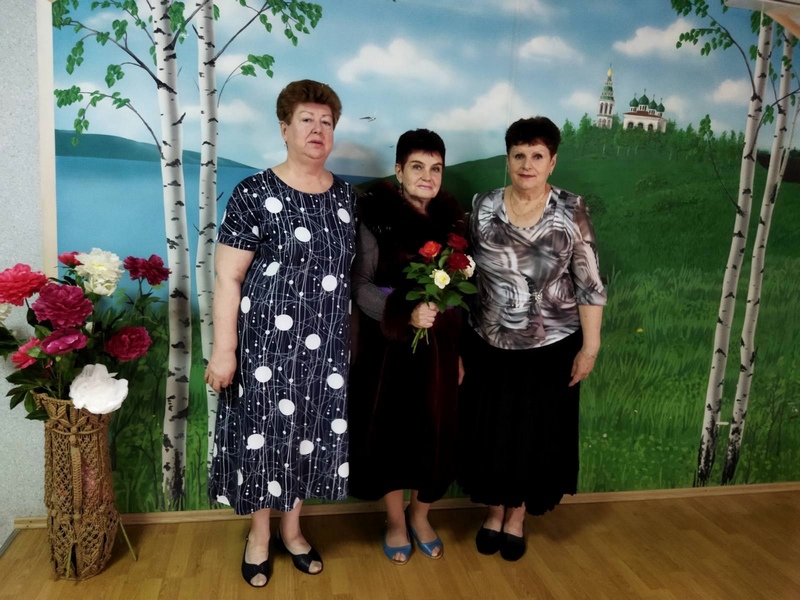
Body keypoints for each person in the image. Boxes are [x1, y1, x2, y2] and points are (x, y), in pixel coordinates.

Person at [204, 80, 356, 587]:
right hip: (265, 347)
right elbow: (228, 276)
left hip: (325, 349)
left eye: (326, 122)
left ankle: (293, 530)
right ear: (285, 129)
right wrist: (225, 351)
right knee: (264, 439)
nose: (317, 130)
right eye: (306, 120)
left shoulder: (346, 197)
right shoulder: (254, 193)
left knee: (307, 438)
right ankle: (259, 535)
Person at [457, 116, 606, 562]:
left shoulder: (571, 208)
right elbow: (463, 273)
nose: (527, 164)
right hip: (487, 341)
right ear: (508, 159)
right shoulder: (482, 205)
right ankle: (493, 512)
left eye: (537, 155)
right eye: (519, 155)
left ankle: (517, 517)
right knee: (492, 431)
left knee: (532, 433)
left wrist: (590, 347)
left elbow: (589, 283)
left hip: (550, 345)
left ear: (552, 161)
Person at [349, 129, 466, 564]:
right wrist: (403, 313)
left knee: (435, 433)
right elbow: (360, 285)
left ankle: (421, 515)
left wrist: (458, 353)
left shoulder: (453, 223)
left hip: (440, 349)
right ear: (399, 170)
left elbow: (460, 297)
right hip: (388, 349)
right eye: (417, 167)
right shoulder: (376, 217)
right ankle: (396, 520)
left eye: (436, 168)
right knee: (391, 434)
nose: (427, 176)